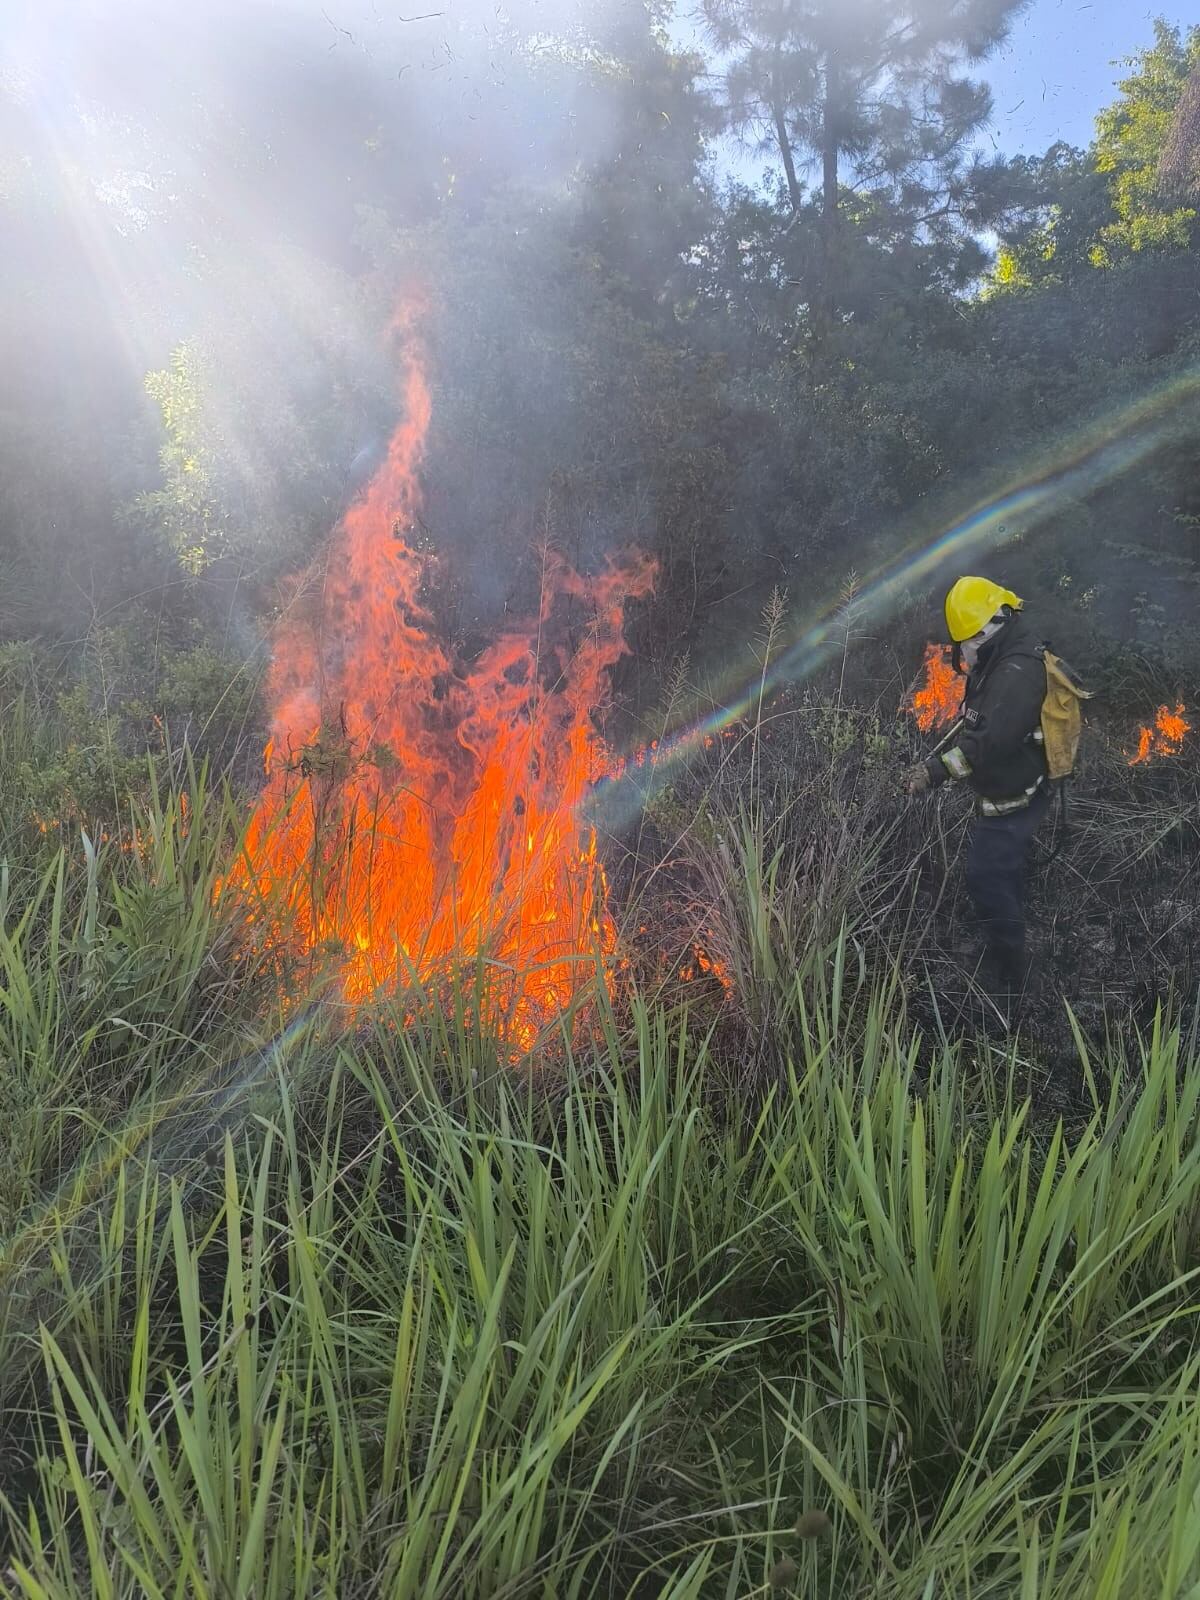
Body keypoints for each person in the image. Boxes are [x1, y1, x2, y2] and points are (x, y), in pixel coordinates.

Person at [905, 576, 1050, 997]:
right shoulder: (1003, 652)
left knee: (986, 878)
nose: (962, 653)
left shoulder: (1018, 674)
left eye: (967, 643)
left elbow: (986, 744)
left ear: (989, 629)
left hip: (1015, 799)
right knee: (1004, 875)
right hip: (1008, 787)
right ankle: (1009, 936)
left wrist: (933, 773)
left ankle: (1012, 978)